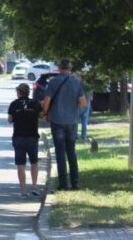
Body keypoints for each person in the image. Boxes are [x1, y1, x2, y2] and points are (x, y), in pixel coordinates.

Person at [42, 59, 87, 191]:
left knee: (60, 153)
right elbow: (83, 103)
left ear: (59, 68)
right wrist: (75, 111)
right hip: (72, 122)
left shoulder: (53, 82)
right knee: (71, 152)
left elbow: (47, 101)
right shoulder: (76, 83)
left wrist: (45, 113)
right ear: (70, 69)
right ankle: (75, 182)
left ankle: (63, 184)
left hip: (57, 121)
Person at [7, 83, 42, 197]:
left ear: (19, 92)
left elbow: (10, 120)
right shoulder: (35, 103)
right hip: (32, 136)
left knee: (20, 164)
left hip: (18, 137)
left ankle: (23, 190)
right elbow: (42, 115)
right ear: (28, 92)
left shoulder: (14, 104)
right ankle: (35, 186)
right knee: (34, 162)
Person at [78, 72, 93, 141]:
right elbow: (91, 97)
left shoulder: (78, 85)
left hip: (79, 105)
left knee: (75, 121)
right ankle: (84, 135)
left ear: (80, 77)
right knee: (84, 121)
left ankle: (75, 135)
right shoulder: (89, 86)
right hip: (87, 104)